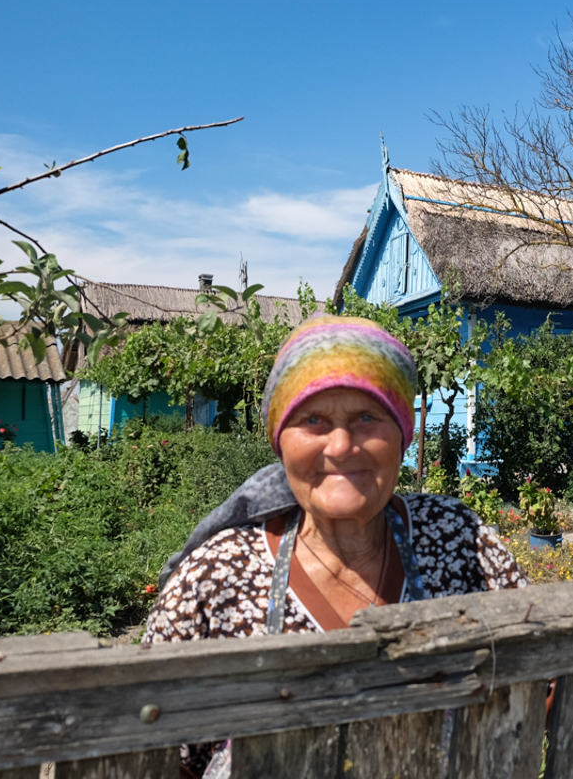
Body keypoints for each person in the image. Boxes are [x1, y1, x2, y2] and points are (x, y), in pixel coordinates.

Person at [141, 315, 526, 776]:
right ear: (279, 441)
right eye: (314, 421)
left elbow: (537, 677)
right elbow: (160, 753)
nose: (342, 446)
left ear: (402, 435)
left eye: (367, 417)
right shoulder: (217, 575)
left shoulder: (456, 536)